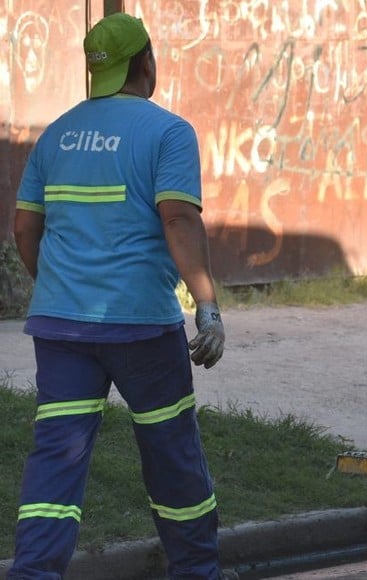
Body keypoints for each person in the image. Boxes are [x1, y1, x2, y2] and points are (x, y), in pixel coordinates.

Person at [10, 12, 228, 580]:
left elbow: (24, 230)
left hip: (61, 329)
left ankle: (33, 573)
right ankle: (197, 572)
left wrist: (57, 288)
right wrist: (207, 304)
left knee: (57, 456)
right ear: (147, 62)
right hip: (142, 327)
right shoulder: (168, 132)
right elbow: (178, 218)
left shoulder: (55, 133)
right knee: (170, 451)